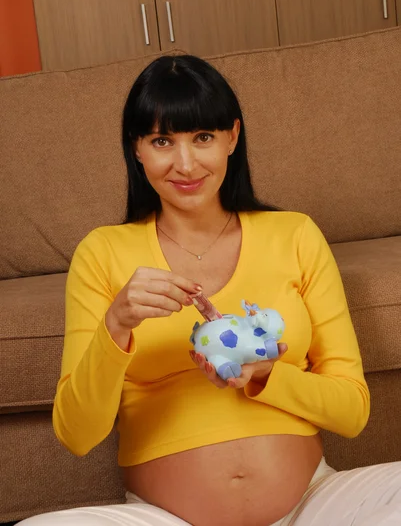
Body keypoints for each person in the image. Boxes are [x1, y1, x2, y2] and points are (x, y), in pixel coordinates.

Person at [20, 56, 401, 526]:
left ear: (232, 138)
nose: (185, 163)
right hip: (166, 517)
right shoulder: (102, 253)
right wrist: (116, 325)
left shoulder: (295, 234)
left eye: (203, 138)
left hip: (314, 505)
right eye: (162, 140)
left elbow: (353, 411)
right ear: (137, 150)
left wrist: (265, 377)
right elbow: (77, 434)